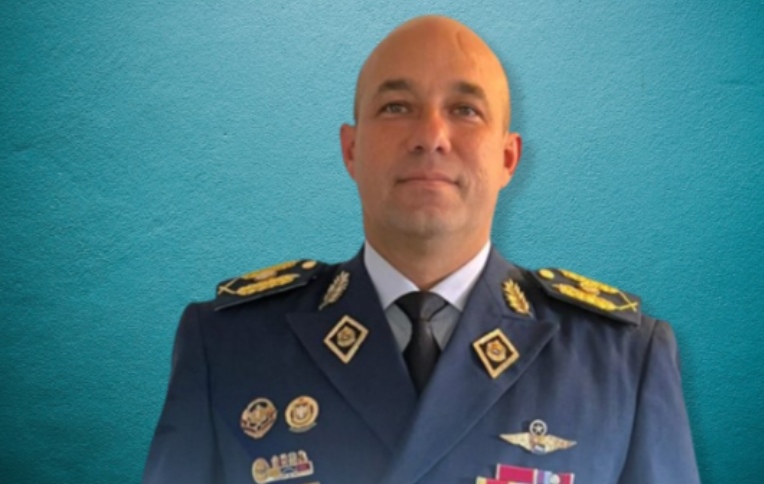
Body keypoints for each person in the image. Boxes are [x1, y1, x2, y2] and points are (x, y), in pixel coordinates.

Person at [143, 15, 700, 484]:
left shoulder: (621, 362)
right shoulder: (228, 347)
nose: (430, 136)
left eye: (465, 110)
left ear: (508, 158)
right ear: (351, 150)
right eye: (396, 107)